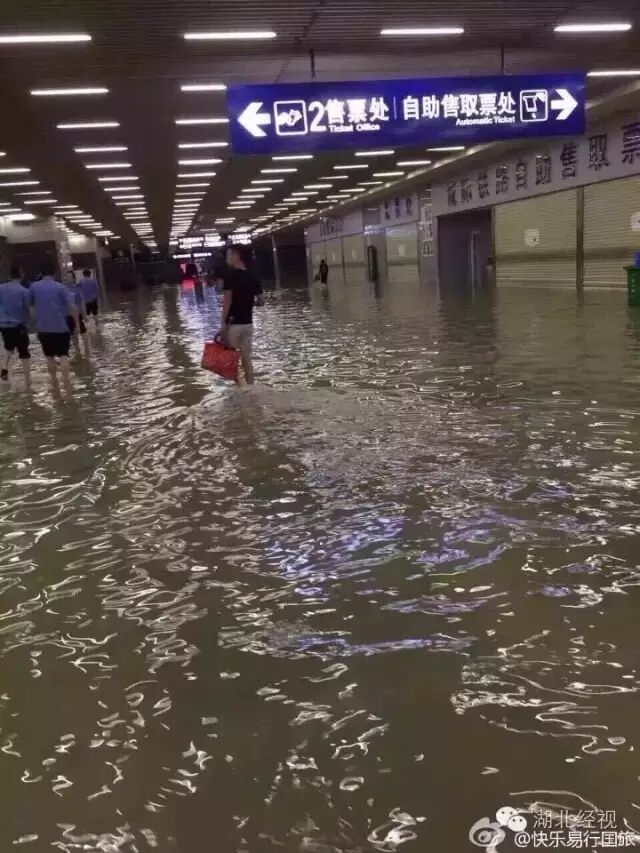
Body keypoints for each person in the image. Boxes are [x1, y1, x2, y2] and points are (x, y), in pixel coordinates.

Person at [29, 259, 77, 387]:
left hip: (43, 328)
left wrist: (37, 319)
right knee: (63, 355)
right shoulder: (61, 287)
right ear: (54, 272)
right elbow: (72, 307)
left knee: (49, 356)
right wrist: (76, 323)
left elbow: (31, 307)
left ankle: (54, 382)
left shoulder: (34, 287)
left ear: (41, 272)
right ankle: (67, 384)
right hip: (61, 327)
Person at [221, 245, 263, 385]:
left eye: (228, 255)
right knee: (246, 359)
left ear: (236, 256)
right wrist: (247, 302)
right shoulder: (254, 276)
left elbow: (227, 300)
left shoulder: (229, 275)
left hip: (233, 324)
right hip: (248, 324)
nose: (227, 259)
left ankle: (240, 389)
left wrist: (222, 323)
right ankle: (251, 387)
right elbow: (261, 301)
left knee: (232, 360)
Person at [0, 263, 31, 387]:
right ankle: (28, 380)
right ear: (22, 275)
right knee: (24, 352)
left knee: (8, 348)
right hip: (18, 325)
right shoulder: (24, 291)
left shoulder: (1, 288)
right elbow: (27, 308)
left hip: (3, 325)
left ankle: (4, 371)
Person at [64, 273, 87, 353]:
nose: (66, 278)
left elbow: (82, 303)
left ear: (73, 279)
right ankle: (78, 351)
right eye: (65, 276)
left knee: (83, 332)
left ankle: (87, 350)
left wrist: (84, 316)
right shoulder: (63, 290)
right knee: (73, 335)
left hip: (78, 314)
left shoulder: (78, 289)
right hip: (68, 316)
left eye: (69, 277)